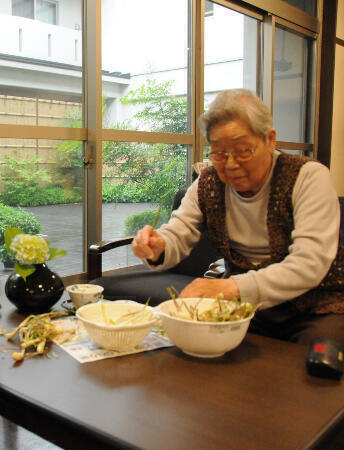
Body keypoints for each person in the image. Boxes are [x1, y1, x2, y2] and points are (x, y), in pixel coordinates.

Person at [132, 88, 343, 345]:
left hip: (315, 306)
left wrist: (230, 288)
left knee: (317, 361)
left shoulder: (307, 177)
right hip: (245, 306)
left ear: (270, 139)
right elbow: (179, 231)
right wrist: (159, 245)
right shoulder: (208, 183)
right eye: (219, 154)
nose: (230, 164)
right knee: (188, 343)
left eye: (243, 150)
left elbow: (309, 263)